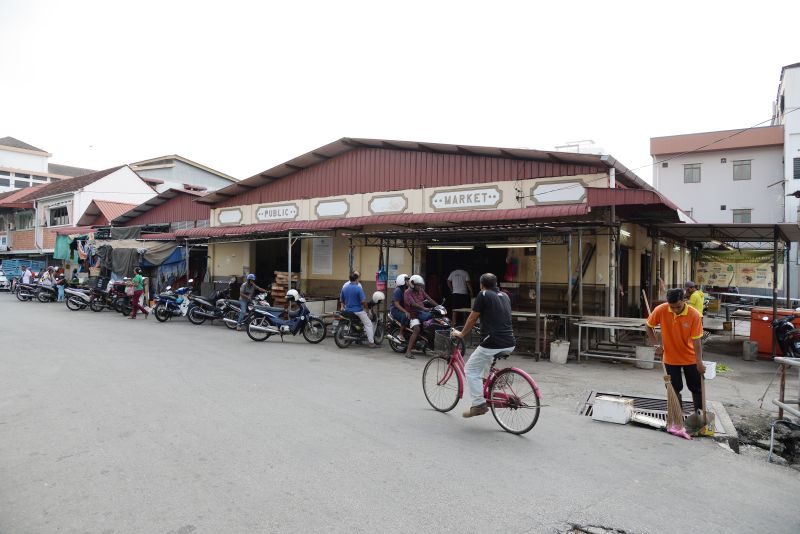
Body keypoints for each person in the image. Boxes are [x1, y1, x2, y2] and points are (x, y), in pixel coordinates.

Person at [453, 273, 516, 418]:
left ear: (482, 285)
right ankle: (485, 388)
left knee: (470, 370)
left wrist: (462, 334)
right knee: (483, 364)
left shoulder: (483, 294)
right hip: (510, 341)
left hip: (492, 342)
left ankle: (478, 404)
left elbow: (473, 318)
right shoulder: (505, 296)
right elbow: (498, 315)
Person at [645, 288, 706, 414]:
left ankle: (699, 415)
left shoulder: (694, 315)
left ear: (684, 300)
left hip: (690, 358)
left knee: (696, 388)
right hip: (670, 357)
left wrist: (699, 362)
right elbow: (649, 326)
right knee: (673, 388)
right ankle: (677, 414)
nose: (675, 310)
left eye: (678, 307)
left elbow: (697, 341)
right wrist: (656, 345)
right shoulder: (661, 310)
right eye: (672, 307)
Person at [340, 271, 377, 348]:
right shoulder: (358, 288)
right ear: (356, 279)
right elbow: (363, 301)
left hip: (347, 310)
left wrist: (344, 306)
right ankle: (371, 343)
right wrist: (367, 310)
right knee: (368, 324)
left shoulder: (345, 288)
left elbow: (342, 300)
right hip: (358, 311)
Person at [403, 275, 435, 359]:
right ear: (413, 284)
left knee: (433, 323)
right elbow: (413, 304)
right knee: (417, 329)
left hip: (422, 313)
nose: (420, 287)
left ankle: (430, 345)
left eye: (420, 285)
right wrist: (424, 308)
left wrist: (438, 306)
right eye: (418, 285)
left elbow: (429, 299)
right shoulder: (407, 292)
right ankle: (408, 351)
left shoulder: (421, 290)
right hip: (413, 315)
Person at [389, 274, 410, 341]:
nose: (408, 281)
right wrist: (406, 311)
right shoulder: (397, 290)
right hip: (395, 310)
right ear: (402, 281)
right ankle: (400, 334)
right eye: (406, 280)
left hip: (401, 309)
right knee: (405, 316)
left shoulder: (405, 290)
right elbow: (397, 304)